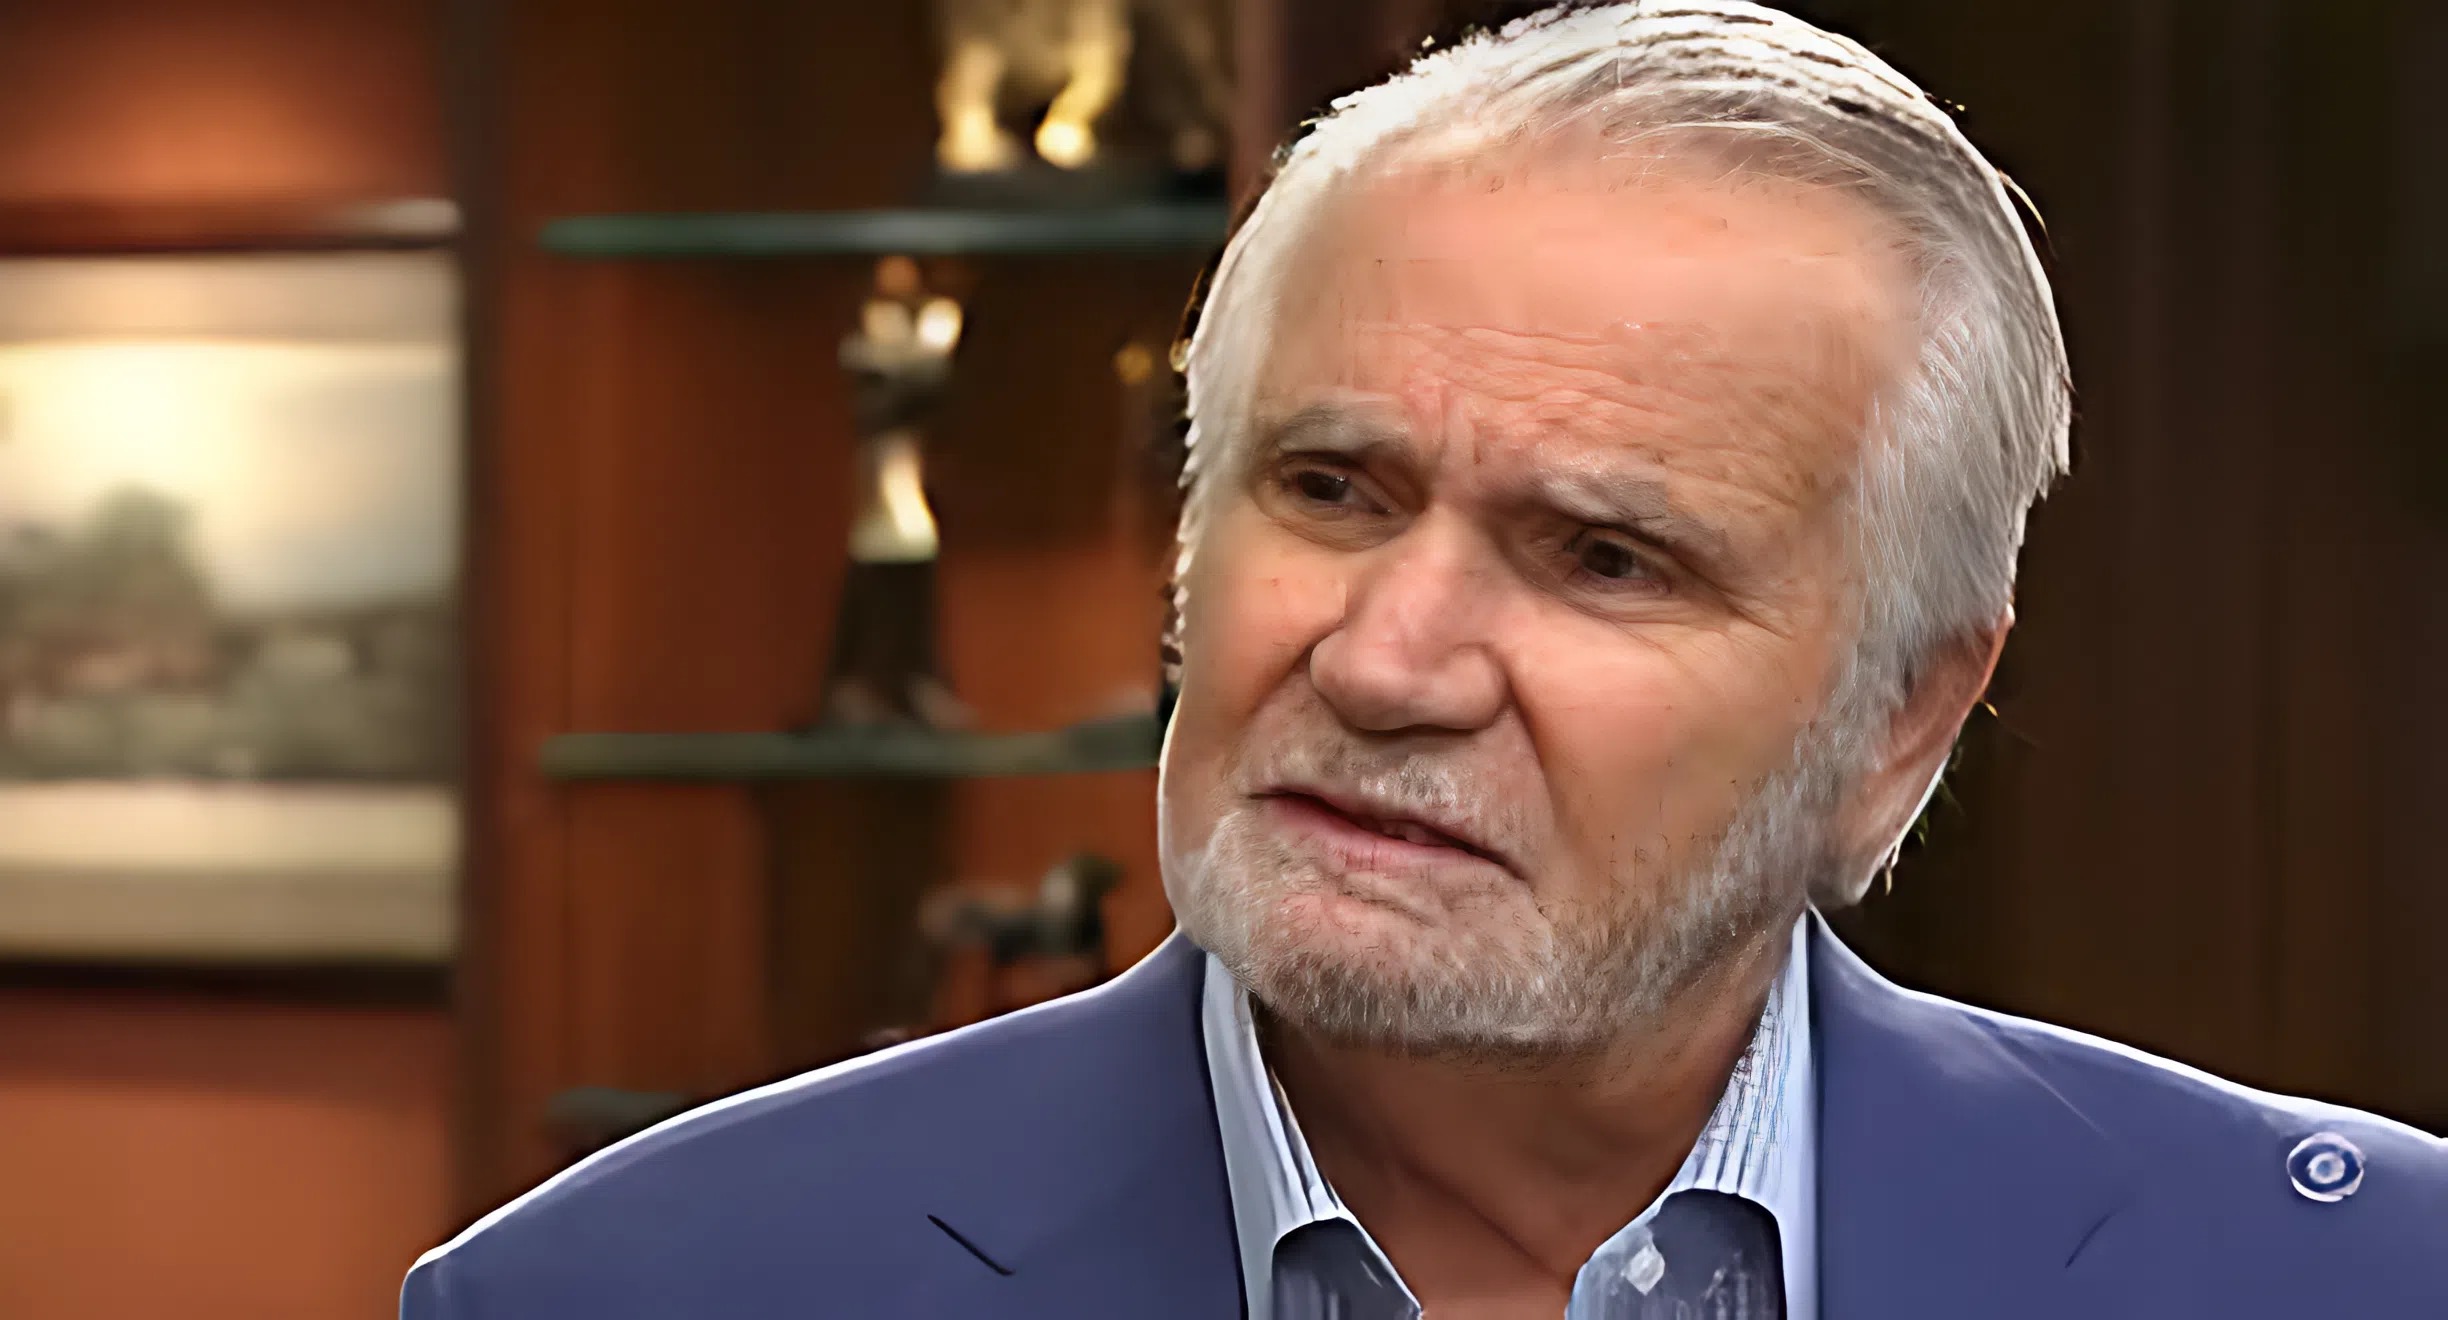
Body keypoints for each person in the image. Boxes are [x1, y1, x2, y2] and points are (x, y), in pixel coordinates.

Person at [402, 3, 2448, 1316]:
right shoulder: (636, 1293)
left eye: (1606, 557)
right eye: (1330, 489)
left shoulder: (2346, 1275)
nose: (1387, 662)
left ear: (1902, 719)